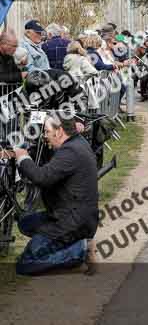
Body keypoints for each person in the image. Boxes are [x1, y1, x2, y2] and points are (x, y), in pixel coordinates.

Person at [9, 113, 98, 275]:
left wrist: (23, 158)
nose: (44, 136)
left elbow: (42, 177)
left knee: (25, 264)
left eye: (47, 131)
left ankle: (80, 249)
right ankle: (60, 245)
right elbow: (50, 169)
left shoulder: (70, 152)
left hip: (72, 222)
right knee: (24, 223)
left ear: (59, 131)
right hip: (73, 213)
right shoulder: (77, 143)